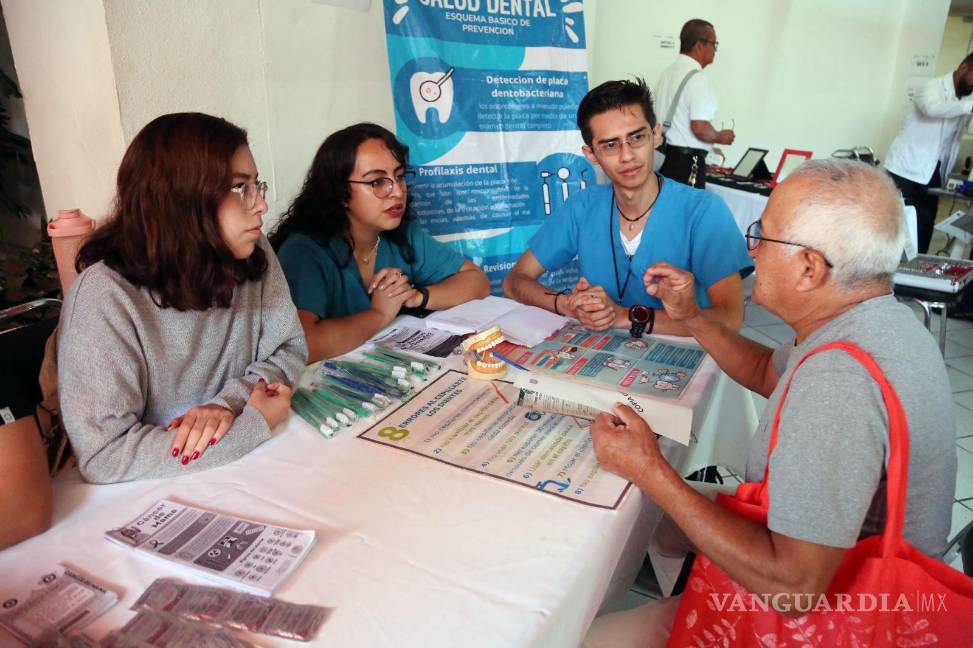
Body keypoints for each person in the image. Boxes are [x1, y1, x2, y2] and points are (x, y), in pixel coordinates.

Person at [584, 159, 956, 646]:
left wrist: (649, 468)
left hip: (834, 612)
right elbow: (766, 371)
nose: (751, 250)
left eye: (762, 236)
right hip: (831, 564)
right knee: (666, 520)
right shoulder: (879, 320)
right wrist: (692, 317)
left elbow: (793, 588)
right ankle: (686, 587)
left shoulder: (838, 379)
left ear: (809, 268)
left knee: (591, 638)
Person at [58, 113, 307, 485]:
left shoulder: (252, 249)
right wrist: (251, 425)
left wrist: (226, 405)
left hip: (245, 469)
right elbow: (104, 455)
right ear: (183, 198)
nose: (260, 206)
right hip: (153, 491)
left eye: (258, 186)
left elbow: (288, 347)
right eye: (240, 188)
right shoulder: (105, 296)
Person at [503, 78, 751, 337]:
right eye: (610, 145)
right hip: (601, 352)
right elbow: (515, 281)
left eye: (637, 137)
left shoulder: (703, 211)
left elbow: (730, 318)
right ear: (591, 154)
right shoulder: (583, 206)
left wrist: (625, 316)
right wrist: (567, 304)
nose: (627, 155)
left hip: (684, 352)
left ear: (656, 135)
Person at [271, 123, 490, 361]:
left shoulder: (402, 234)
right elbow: (304, 345)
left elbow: (477, 281)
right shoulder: (304, 251)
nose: (397, 192)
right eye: (377, 182)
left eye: (399, 176)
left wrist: (416, 296)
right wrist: (379, 314)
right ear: (341, 193)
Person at [885, 52, 973, 254]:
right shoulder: (931, 87)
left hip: (932, 173)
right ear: (964, 68)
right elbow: (932, 108)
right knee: (895, 230)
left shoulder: (964, 99)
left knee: (923, 230)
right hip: (905, 171)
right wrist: (969, 106)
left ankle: (916, 270)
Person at [654, 19, 735, 188]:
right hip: (687, 163)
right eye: (714, 43)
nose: (715, 49)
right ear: (699, 45)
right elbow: (699, 128)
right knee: (687, 205)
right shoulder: (698, 79)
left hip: (662, 157)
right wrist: (720, 136)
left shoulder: (667, 74)